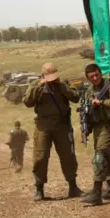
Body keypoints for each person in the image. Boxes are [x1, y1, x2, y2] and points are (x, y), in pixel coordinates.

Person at [23, 62, 82, 200]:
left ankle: (73, 186)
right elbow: (27, 102)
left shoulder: (61, 85)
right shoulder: (36, 85)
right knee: (40, 156)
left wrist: (63, 87)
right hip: (43, 125)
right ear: (43, 75)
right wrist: (39, 87)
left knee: (68, 155)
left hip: (62, 124)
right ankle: (39, 188)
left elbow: (75, 97)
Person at [80, 63, 110, 206]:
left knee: (100, 155)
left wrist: (102, 102)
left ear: (100, 73)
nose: (95, 78)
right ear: (88, 78)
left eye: (97, 75)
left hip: (109, 125)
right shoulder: (89, 90)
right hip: (97, 127)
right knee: (106, 156)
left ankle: (96, 192)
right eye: (91, 77)